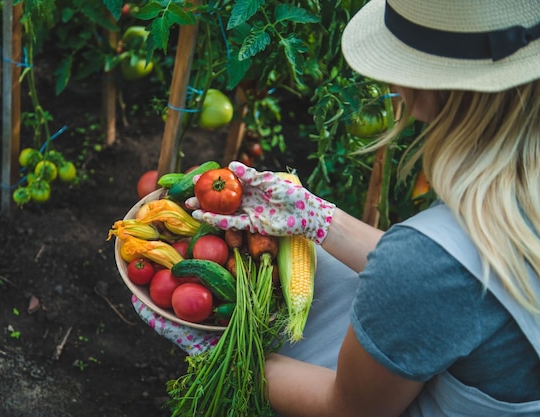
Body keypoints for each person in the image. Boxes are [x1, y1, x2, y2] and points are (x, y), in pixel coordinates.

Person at [132, 0, 540, 415]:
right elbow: (455, 276)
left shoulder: (422, 266)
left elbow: (349, 408)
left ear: (425, 91)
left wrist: (222, 349)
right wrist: (322, 220)